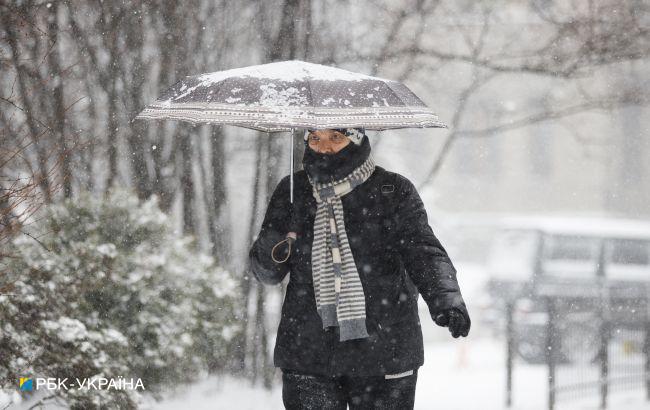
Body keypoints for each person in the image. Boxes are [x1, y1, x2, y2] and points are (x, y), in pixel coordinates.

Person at [249, 128, 470, 409]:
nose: (324, 147)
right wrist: (278, 237)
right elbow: (266, 273)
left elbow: (423, 252)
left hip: (385, 350)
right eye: (315, 138)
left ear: (356, 140)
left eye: (335, 138)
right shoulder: (293, 191)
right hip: (309, 353)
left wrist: (447, 300)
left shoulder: (392, 190)